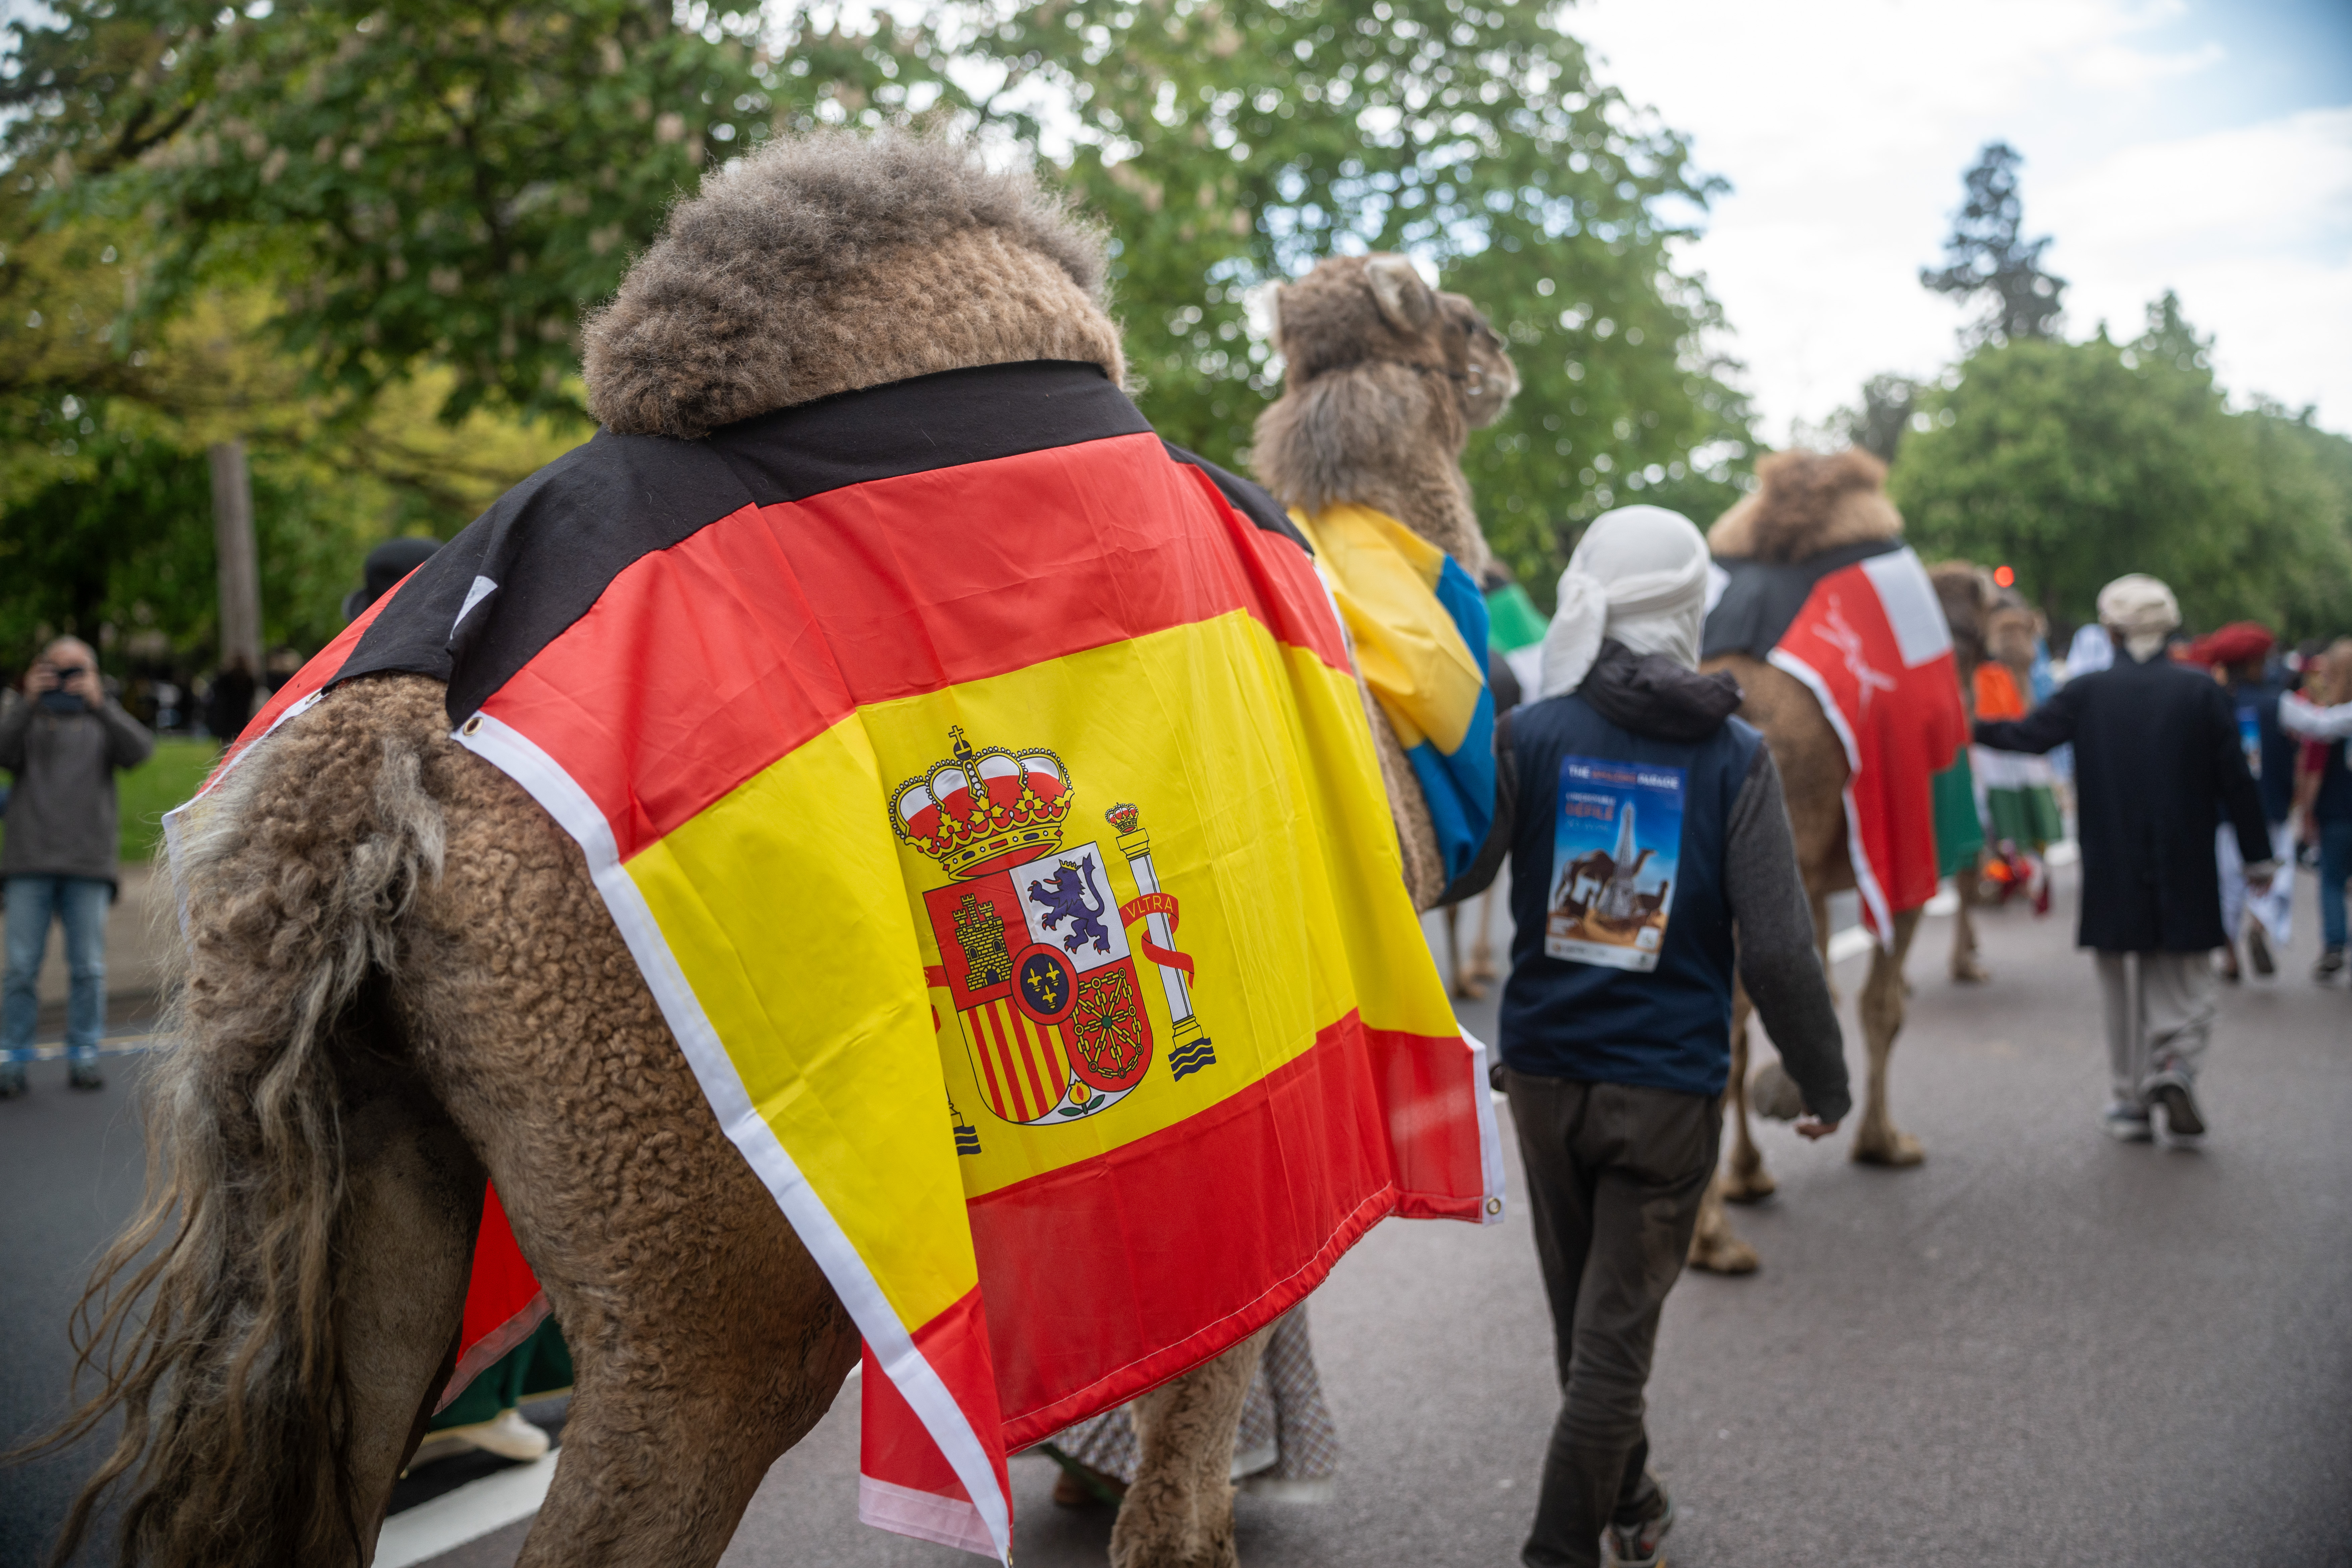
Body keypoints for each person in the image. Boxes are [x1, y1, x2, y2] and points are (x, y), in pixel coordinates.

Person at [1460, 505, 1849, 1568]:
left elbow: (1461, 874)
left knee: (1584, 1334)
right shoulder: (1734, 757)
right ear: (1688, 608)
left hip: (1541, 1083)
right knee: (1611, 1352)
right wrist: (1823, 1080)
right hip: (1669, 1096)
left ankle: (1631, 1506)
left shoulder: (1526, 737)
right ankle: (1560, 1547)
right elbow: (1776, 951)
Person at [1973, 576, 2273, 1144]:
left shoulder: (2087, 691)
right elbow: (2237, 782)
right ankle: (2175, 1061)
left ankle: (2127, 1096)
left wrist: (1959, 723)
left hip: (2110, 859)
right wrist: (2258, 858)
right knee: (2184, 974)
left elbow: (2025, 736)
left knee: (2118, 983)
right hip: (2185, 858)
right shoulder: (2200, 691)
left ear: (2110, 631)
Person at [0, 638, 156, 1094]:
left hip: (87, 863)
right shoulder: (26, 718)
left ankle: (85, 1054)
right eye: (58, 670)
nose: (66, 681)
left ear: (92, 672)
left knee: (88, 967)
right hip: (30, 860)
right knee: (20, 969)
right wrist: (27, 701)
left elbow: (140, 752)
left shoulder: (101, 720)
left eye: (76, 671)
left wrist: (101, 703)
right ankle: (12, 1058)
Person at [2188, 623, 2298, 981]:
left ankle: (2230, 954)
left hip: (2222, 811)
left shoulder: (2212, 702)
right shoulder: (2277, 702)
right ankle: (2260, 925)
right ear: (2255, 663)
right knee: (2272, 876)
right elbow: (2319, 726)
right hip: (2271, 806)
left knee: (2227, 884)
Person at [2280, 638, 2352, 982]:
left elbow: (2314, 770)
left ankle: (2336, 945)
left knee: (2333, 881)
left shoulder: (2330, 719)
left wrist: (2306, 813)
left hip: (2337, 811)